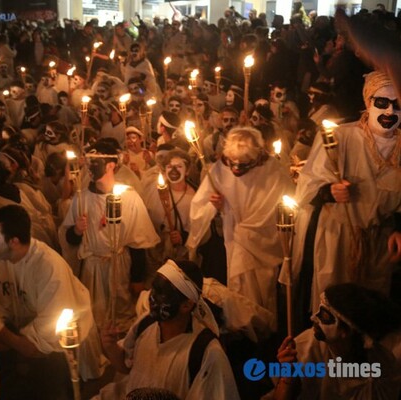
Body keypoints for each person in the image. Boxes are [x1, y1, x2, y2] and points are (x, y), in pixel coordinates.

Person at [288, 71, 401, 318]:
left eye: (398, 105)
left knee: (370, 311)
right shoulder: (340, 137)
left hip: (379, 244)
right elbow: (308, 186)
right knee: (333, 309)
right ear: (368, 103)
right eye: (382, 103)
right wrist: (329, 191)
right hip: (337, 238)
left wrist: (399, 228)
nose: (390, 112)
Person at [0, 205, 101, 398]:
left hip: (51, 350)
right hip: (11, 336)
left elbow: (47, 334)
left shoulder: (49, 267)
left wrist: (11, 343)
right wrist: (11, 341)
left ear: (13, 241)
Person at [187, 127, 294, 317]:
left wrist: (248, 232)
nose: (235, 168)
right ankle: (240, 326)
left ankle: (263, 326)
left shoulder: (272, 170)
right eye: (232, 163)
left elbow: (283, 207)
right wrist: (216, 205)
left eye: (243, 164)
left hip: (261, 241)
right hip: (233, 236)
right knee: (236, 287)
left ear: (256, 157)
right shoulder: (221, 167)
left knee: (261, 288)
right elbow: (201, 205)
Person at [97, 259, 240, 400]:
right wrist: (110, 346)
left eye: (161, 293)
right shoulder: (146, 324)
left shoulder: (206, 351)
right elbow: (125, 367)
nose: (152, 298)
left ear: (186, 305)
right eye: (153, 289)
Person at [62, 141, 160, 332]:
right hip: (93, 270)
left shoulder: (129, 198)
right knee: (94, 320)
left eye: (94, 163)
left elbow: (138, 241)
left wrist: (137, 278)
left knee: (121, 319)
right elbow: (69, 240)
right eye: (88, 163)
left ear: (111, 166)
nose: (89, 168)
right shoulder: (81, 199)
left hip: (120, 267)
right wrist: (76, 231)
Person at [273, 283, 401, 400]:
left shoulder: (382, 368)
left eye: (324, 315)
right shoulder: (305, 347)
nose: (314, 317)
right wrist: (287, 377)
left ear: (346, 331)